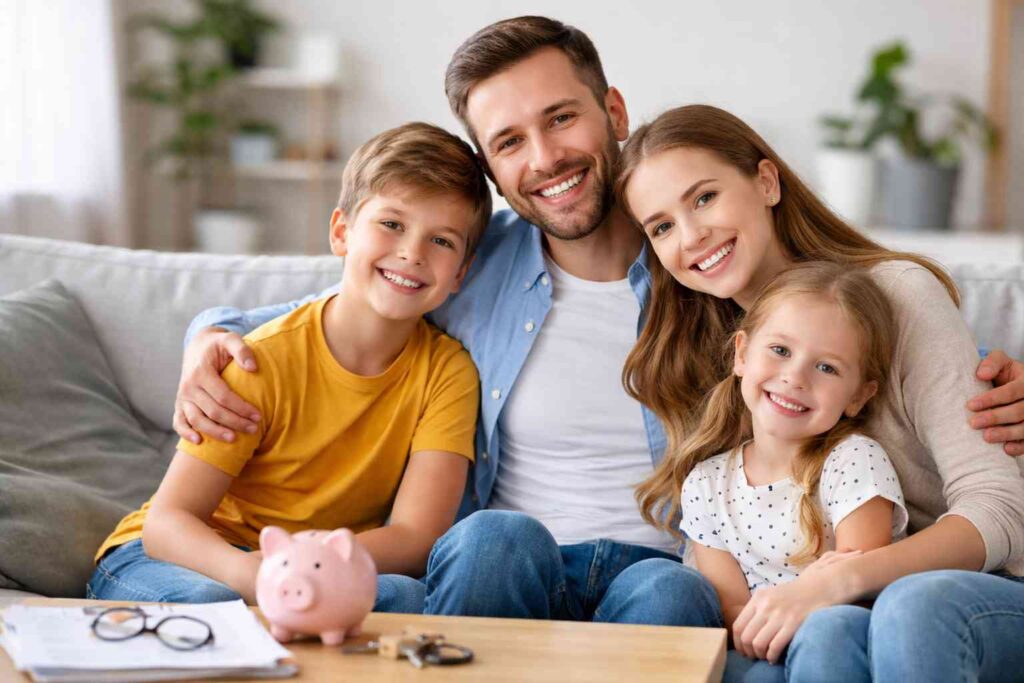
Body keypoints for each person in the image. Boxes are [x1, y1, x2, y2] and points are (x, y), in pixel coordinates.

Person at [173, 17, 1024, 627]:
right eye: (509, 142)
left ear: (613, 112)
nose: (545, 157)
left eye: (561, 118)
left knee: (675, 592)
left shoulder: (701, 273)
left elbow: (839, 335)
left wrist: (995, 367)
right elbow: (324, 304)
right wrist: (209, 338)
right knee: (490, 539)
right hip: (510, 559)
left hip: (661, 571)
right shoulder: (467, 264)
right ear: (493, 171)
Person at [617, 104, 1024, 681]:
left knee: (910, 607)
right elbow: (719, 536)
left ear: (766, 181)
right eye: (661, 227)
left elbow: (1001, 509)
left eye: (704, 198)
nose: (691, 236)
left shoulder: (900, 297)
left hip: (976, 590)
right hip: (822, 620)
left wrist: (842, 578)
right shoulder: (712, 354)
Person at [86, 122, 490, 609]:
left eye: (442, 241)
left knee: (402, 595)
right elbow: (167, 524)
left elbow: (414, 536)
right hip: (188, 559)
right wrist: (251, 574)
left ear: (460, 273)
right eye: (392, 224)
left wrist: (296, 567)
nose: (412, 253)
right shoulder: (260, 359)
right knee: (217, 605)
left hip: (313, 567)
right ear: (341, 232)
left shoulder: (448, 374)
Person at [660, 261, 909, 667]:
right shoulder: (705, 484)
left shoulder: (855, 462)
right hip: (754, 647)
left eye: (827, 367)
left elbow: (858, 588)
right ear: (742, 354)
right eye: (780, 351)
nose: (795, 378)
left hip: (831, 647)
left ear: (858, 396)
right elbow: (733, 614)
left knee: (826, 634)